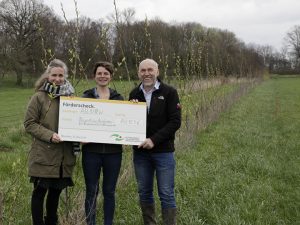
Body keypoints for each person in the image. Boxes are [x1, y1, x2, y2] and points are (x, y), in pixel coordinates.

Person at [24, 59, 77, 225]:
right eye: (54, 75)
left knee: (55, 193)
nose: (57, 79)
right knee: (39, 192)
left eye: (61, 75)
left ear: (65, 77)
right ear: (48, 76)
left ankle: (52, 222)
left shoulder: (71, 98)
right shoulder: (38, 97)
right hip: (44, 153)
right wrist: (50, 135)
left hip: (63, 155)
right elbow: (29, 124)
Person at [129, 58, 181, 225]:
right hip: (141, 154)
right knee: (144, 192)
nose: (147, 73)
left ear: (157, 72)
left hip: (163, 152)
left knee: (166, 193)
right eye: (143, 70)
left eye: (150, 70)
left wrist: (153, 140)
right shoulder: (134, 94)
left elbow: (175, 121)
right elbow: (128, 121)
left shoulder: (170, 92)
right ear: (138, 73)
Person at [81, 61, 123, 225]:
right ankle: (90, 222)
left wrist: (134, 108)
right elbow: (79, 122)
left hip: (113, 153)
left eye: (106, 73)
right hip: (91, 152)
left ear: (111, 77)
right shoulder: (85, 97)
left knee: (109, 192)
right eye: (99, 73)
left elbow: (125, 122)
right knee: (91, 191)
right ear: (94, 76)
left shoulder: (119, 99)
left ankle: (108, 223)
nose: (102, 76)